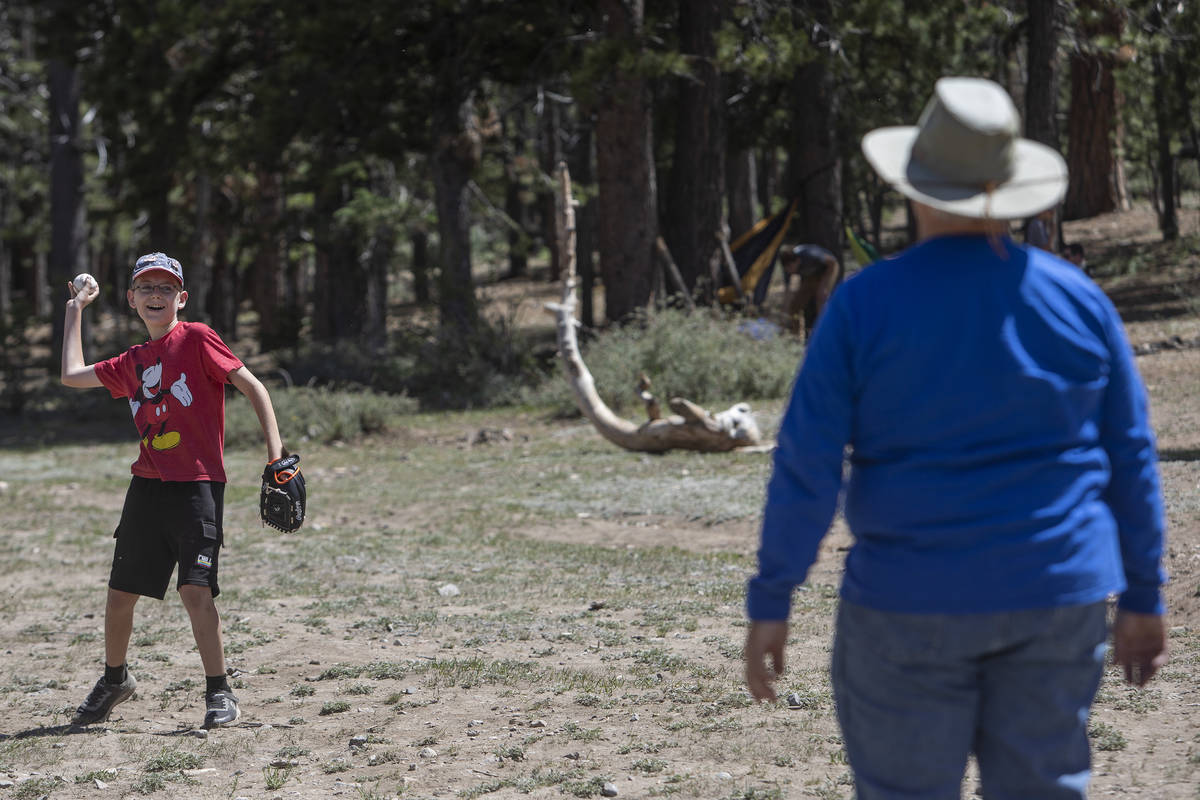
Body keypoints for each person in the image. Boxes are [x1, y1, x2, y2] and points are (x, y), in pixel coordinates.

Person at [744, 77, 1168, 799]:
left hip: (906, 602)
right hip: (1055, 597)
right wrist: (1142, 596)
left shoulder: (862, 307)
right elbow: (1130, 458)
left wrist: (772, 600)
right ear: (1006, 188)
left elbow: (807, 465)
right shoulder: (1078, 303)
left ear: (914, 185)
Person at [62, 252, 287, 729]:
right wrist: (74, 309)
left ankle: (219, 691)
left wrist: (277, 458)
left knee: (195, 590)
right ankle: (115, 679)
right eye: (146, 288)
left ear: (181, 298)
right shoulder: (132, 362)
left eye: (166, 288)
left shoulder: (199, 339)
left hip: (198, 485)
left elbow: (255, 389)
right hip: (146, 487)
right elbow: (70, 374)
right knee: (121, 594)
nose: (156, 295)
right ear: (132, 299)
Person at [778, 243, 839, 336]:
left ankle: (825, 332)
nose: (790, 272)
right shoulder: (788, 266)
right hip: (811, 276)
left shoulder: (810, 255)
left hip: (828, 270)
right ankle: (796, 334)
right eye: (787, 269)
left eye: (790, 268)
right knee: (795, 305)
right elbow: (788, 291)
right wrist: (784, 311)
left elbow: (832, 263)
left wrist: (824, 286)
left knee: (821, 298)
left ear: (797, 261)